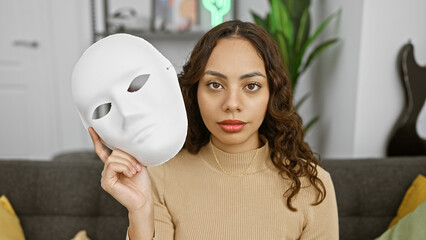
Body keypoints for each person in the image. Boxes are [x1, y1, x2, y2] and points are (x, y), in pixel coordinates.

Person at [89, 20, 339, 240]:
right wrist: (140, 211)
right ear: (194, 91)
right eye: (215, 84)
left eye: (251, 86)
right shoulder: (160, 176)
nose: (231, 103)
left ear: (272, 93)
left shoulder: (312, 186)